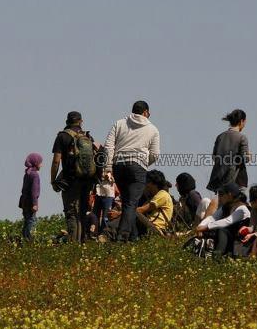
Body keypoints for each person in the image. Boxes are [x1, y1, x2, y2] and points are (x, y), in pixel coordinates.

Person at [103, 100, 160, 243]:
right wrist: (143, 163)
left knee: (128, 202)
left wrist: (108, 167)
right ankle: (121, 238)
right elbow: (155, 154)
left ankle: (133, 238)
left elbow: (108, 146)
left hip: (119, 166)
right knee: (131, 204)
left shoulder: (119, 123)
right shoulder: (153, 129)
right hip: (138, 167)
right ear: (146, 112)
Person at [51, 111, 96, 242]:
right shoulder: (87, 137)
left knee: (72, 213)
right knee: (82, 213)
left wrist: (53, 180)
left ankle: (73, 246)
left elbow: (56, 161)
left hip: (70, 180)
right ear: (81, 121)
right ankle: (82, 244)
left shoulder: (62, 136)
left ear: (67, 122)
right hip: (87, 180)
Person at [197, 182, 250, 257]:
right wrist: (201, 226)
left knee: (222, 230)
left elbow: (227, 221)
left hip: (239, 240)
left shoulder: (242, 208)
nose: (219, 197)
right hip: (229, 238)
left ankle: (217, 255)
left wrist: (206, 227)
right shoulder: (226, 207)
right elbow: (212, 218)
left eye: (221, 194)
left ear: (230, 195)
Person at [207, 110, 251, 192]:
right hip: (237, 180)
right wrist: (249, 156)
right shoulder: (242, 138)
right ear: (242, 121)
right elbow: (245, 158)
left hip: (219, 180)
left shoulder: (220, 136)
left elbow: (214, 157)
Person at [136, 170, 174, 235]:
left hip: (157, 229)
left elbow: (141, 210)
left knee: (133, 213)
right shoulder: (153, 197)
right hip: (152, 227)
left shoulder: (163, 194)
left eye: (147, 182)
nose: (145, 185)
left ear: (154, 184)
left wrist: (120, 213)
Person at [19, 153, 42, 240]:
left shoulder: (27, 174)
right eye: (40, 162)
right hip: (30, 203)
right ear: (35, 163)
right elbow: (34, 190)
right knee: (31, 221)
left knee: (26, 221)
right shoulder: (35, 175)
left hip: (24, 202)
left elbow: (24, 189)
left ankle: (24, 238)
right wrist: (35, 203)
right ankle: (30, 240)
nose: (41, 165)